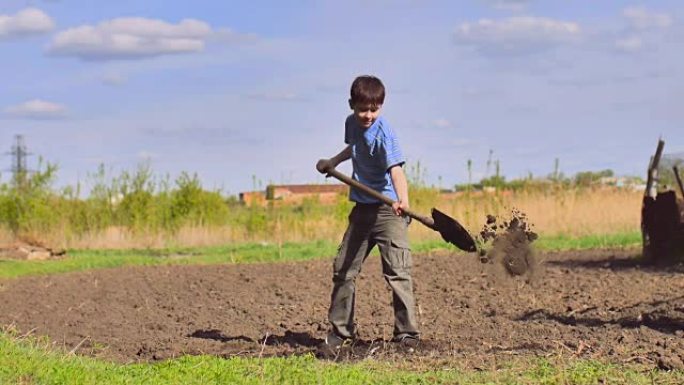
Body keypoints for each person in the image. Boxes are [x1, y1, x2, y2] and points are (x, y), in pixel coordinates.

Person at [316, 75, 419, 351]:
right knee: (343, 270)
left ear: (381, 107)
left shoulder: (385, 132)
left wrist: (402, 200)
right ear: (352, 105)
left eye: (375, 109)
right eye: (363, 109)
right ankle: (341, 332)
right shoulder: (352, 124)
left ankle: (407, 334)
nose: (368, 115)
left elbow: (396, 170)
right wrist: (333, 162)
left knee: (398, 272)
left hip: (388, 212)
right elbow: (355, 147)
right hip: (362, 209)